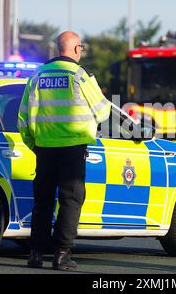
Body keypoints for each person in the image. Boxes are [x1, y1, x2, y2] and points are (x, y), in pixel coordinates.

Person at [17, 31, 111, 271]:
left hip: (45, 149)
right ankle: (61, 254)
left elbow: (23, 117)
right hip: (72, 148)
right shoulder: (80, 75)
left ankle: (36, 254)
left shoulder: (37, 75)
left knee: (43, 201)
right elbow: (103, 111)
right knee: (71, 200)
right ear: (76, 49)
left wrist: (35, 144)